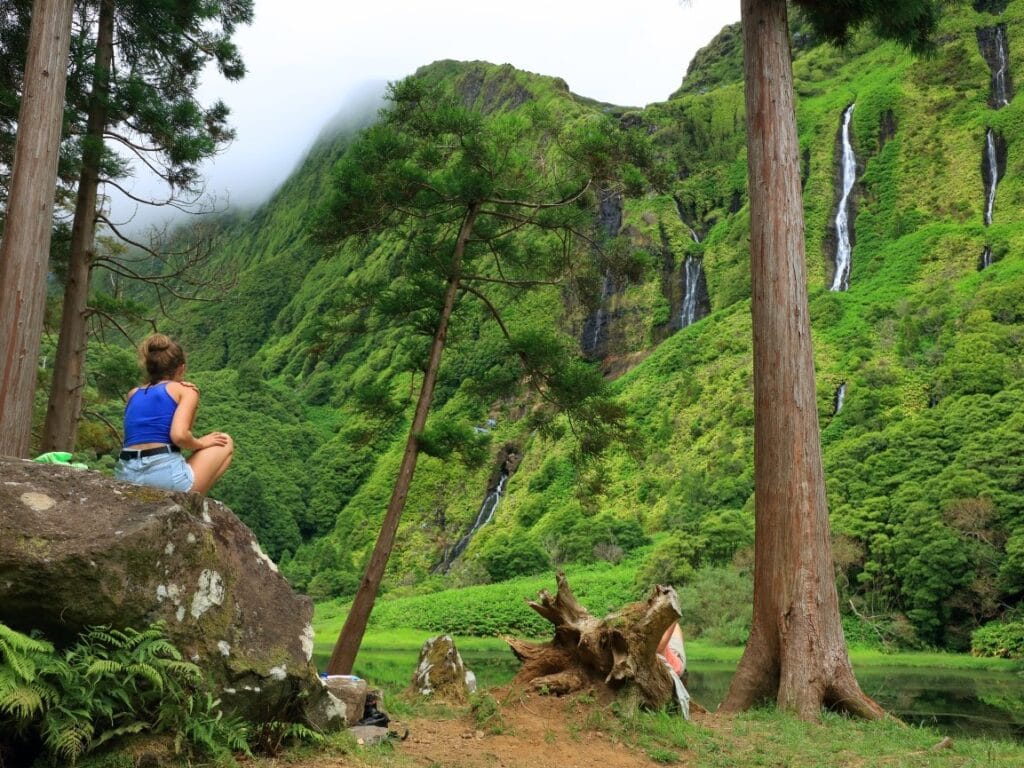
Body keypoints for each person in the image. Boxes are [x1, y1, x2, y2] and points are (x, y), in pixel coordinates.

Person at [114, 334, 233, 495]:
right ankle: (189, 504)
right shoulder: (185, 391)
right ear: (181, 368)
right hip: (164, 477)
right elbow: (179, 436)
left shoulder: (133, 393)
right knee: (225, 442)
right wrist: (201, 443)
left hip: (125, 475)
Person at [657, 621, 690, 719]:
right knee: (675, 627)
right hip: (674, 664)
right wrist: (673, 620)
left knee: (675, 630)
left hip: (673, 660)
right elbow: (659, 648)